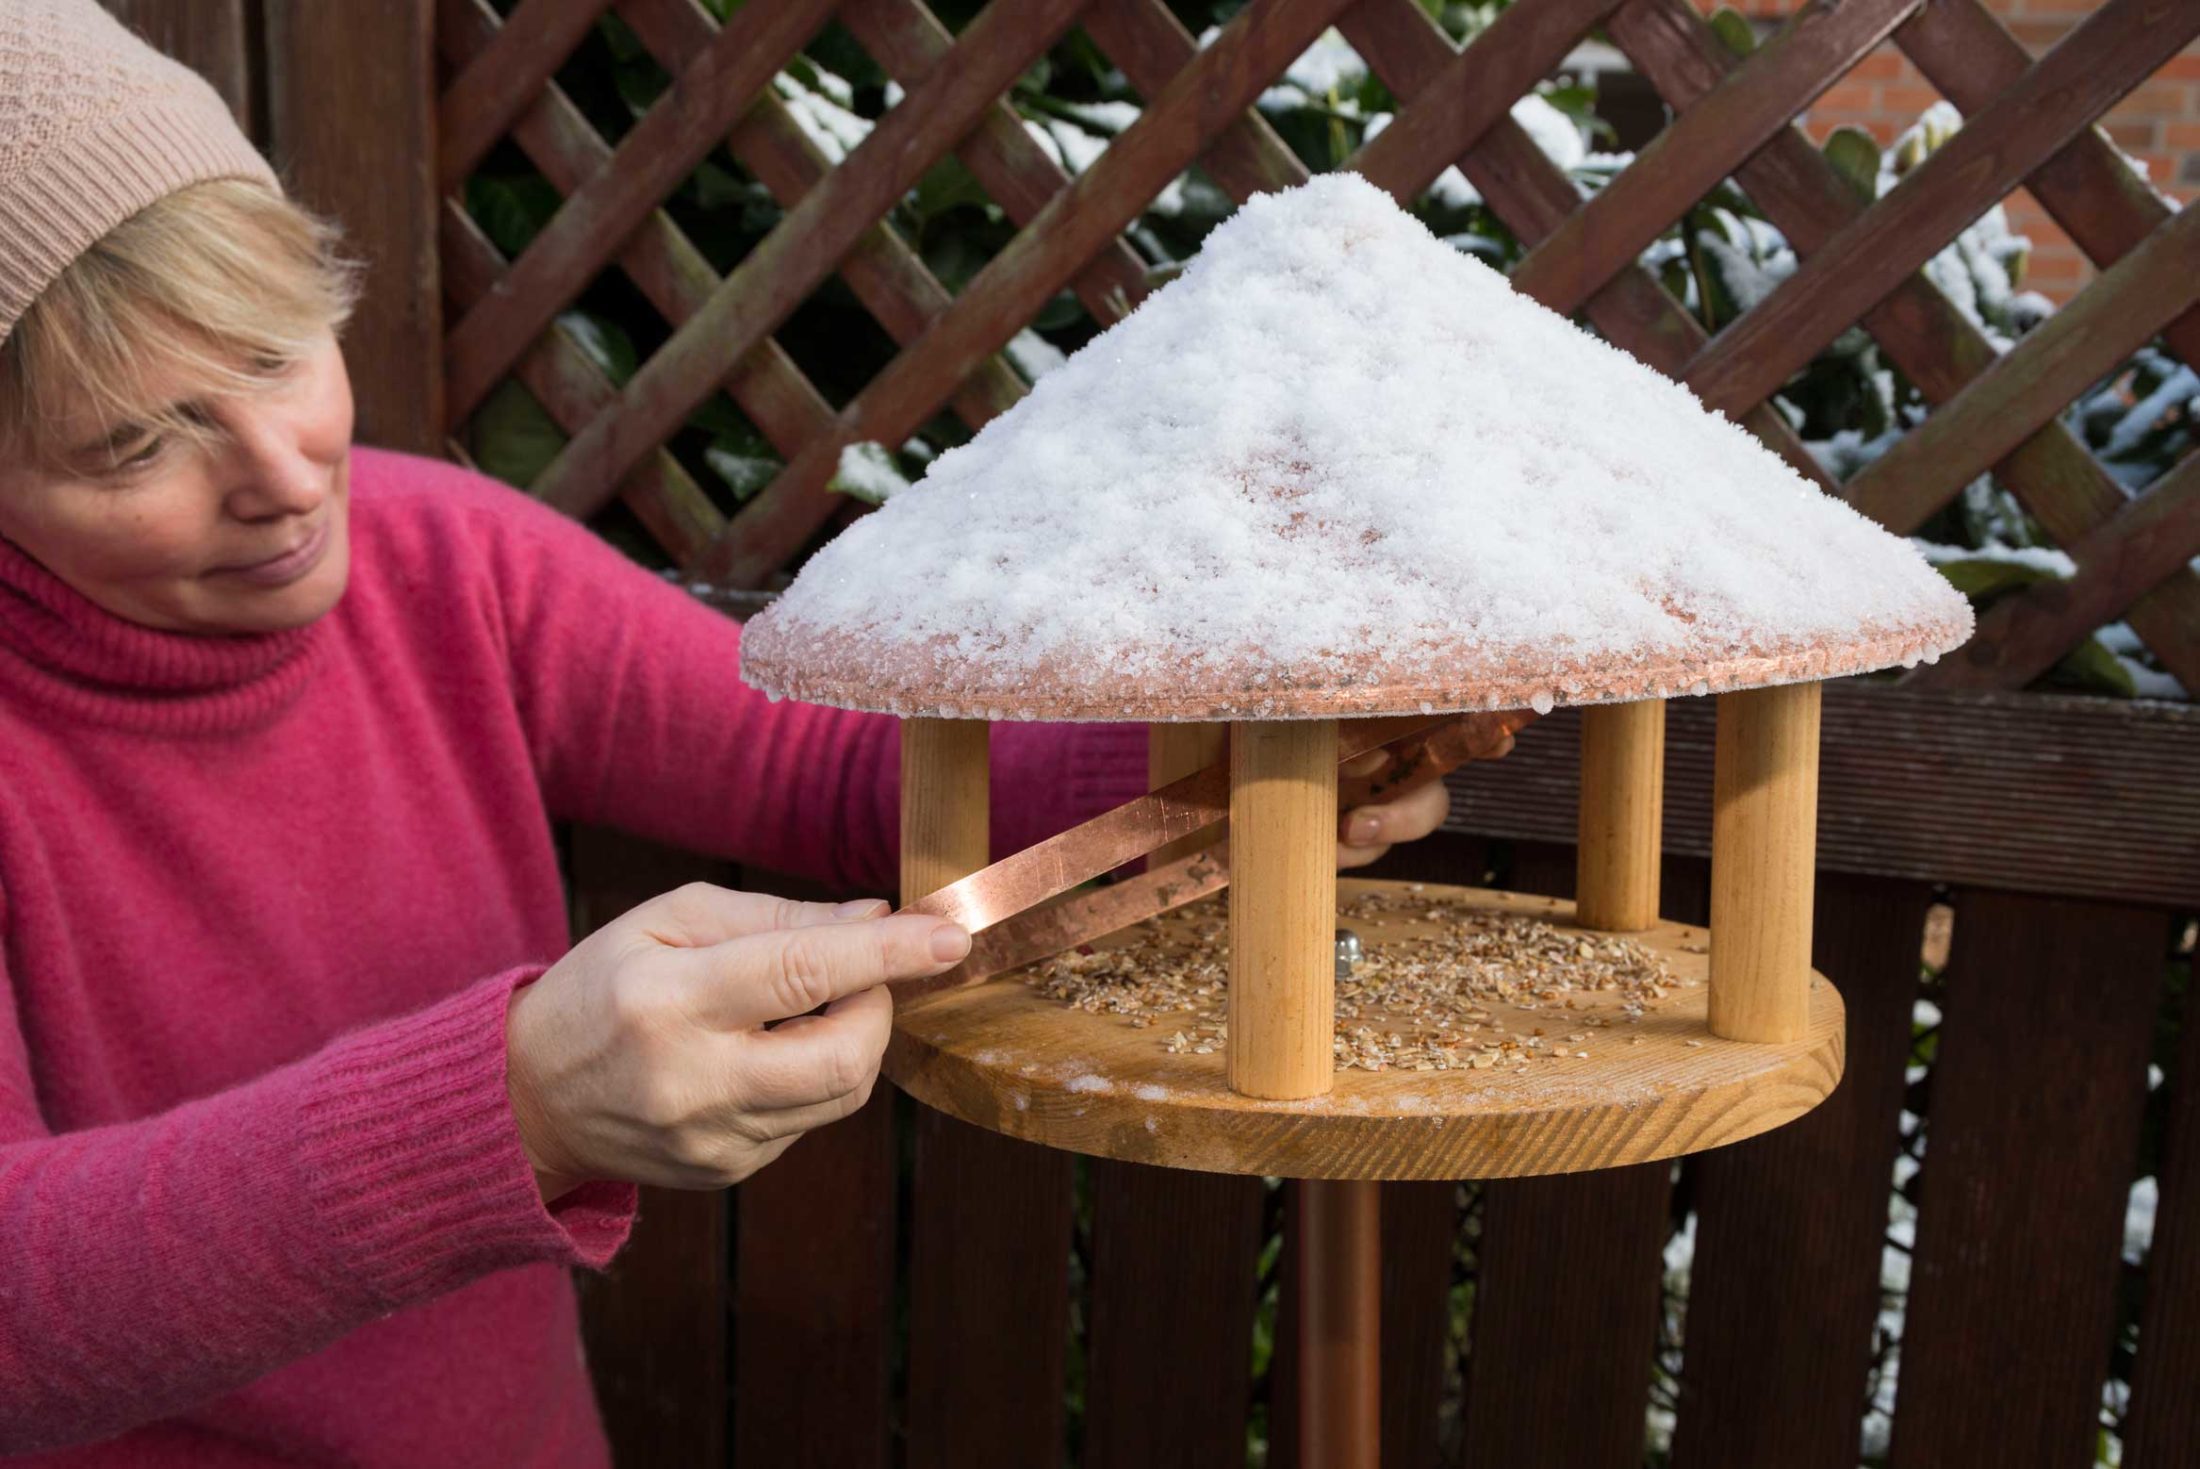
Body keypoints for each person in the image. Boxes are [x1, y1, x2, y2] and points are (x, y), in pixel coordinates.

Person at [0, 2, 1466, 1462]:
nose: (282, 472)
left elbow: (813, 766)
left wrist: (1206, 777)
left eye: (275, 356)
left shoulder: (446, 564)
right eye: (136, 445)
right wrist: (509, 1113)